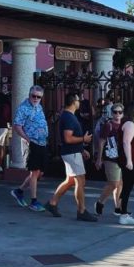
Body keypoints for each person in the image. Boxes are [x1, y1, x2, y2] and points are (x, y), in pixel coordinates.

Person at [44, 93, 97, 221]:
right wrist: (83, 139)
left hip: (73, 152)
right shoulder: (68, 117)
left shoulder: (69, 116)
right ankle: (81, 210)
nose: (80, 102)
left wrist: (81, 149)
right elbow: (68, 138)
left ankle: (52, 203)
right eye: (78, 100)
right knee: (80, 181)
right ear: (74, 102)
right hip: (71, 153)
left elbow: (71, 138)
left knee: (71, 180)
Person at [10, 85, 49, 212]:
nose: (36, 98)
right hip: (32, 142)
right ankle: (34, 201)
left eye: (39, 97)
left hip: (42, 142)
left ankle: (19, 191)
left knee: (39, 173)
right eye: (34, 96)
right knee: (34, 171)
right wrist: (26, 138)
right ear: (29, 95)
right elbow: (17, 125)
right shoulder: (23, 108)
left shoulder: (39, 107)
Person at [93, 102, 124, 217]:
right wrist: (99, 158)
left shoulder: (124, 124)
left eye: (120, 112)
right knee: (113, 183)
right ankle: (100, 203)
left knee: (120, 183)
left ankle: (118, 207)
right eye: (115, 112)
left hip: (121, 157)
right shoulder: (108, 125)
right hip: (110, 157)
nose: (117, 114)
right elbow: (101, 142)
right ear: (112, 113)